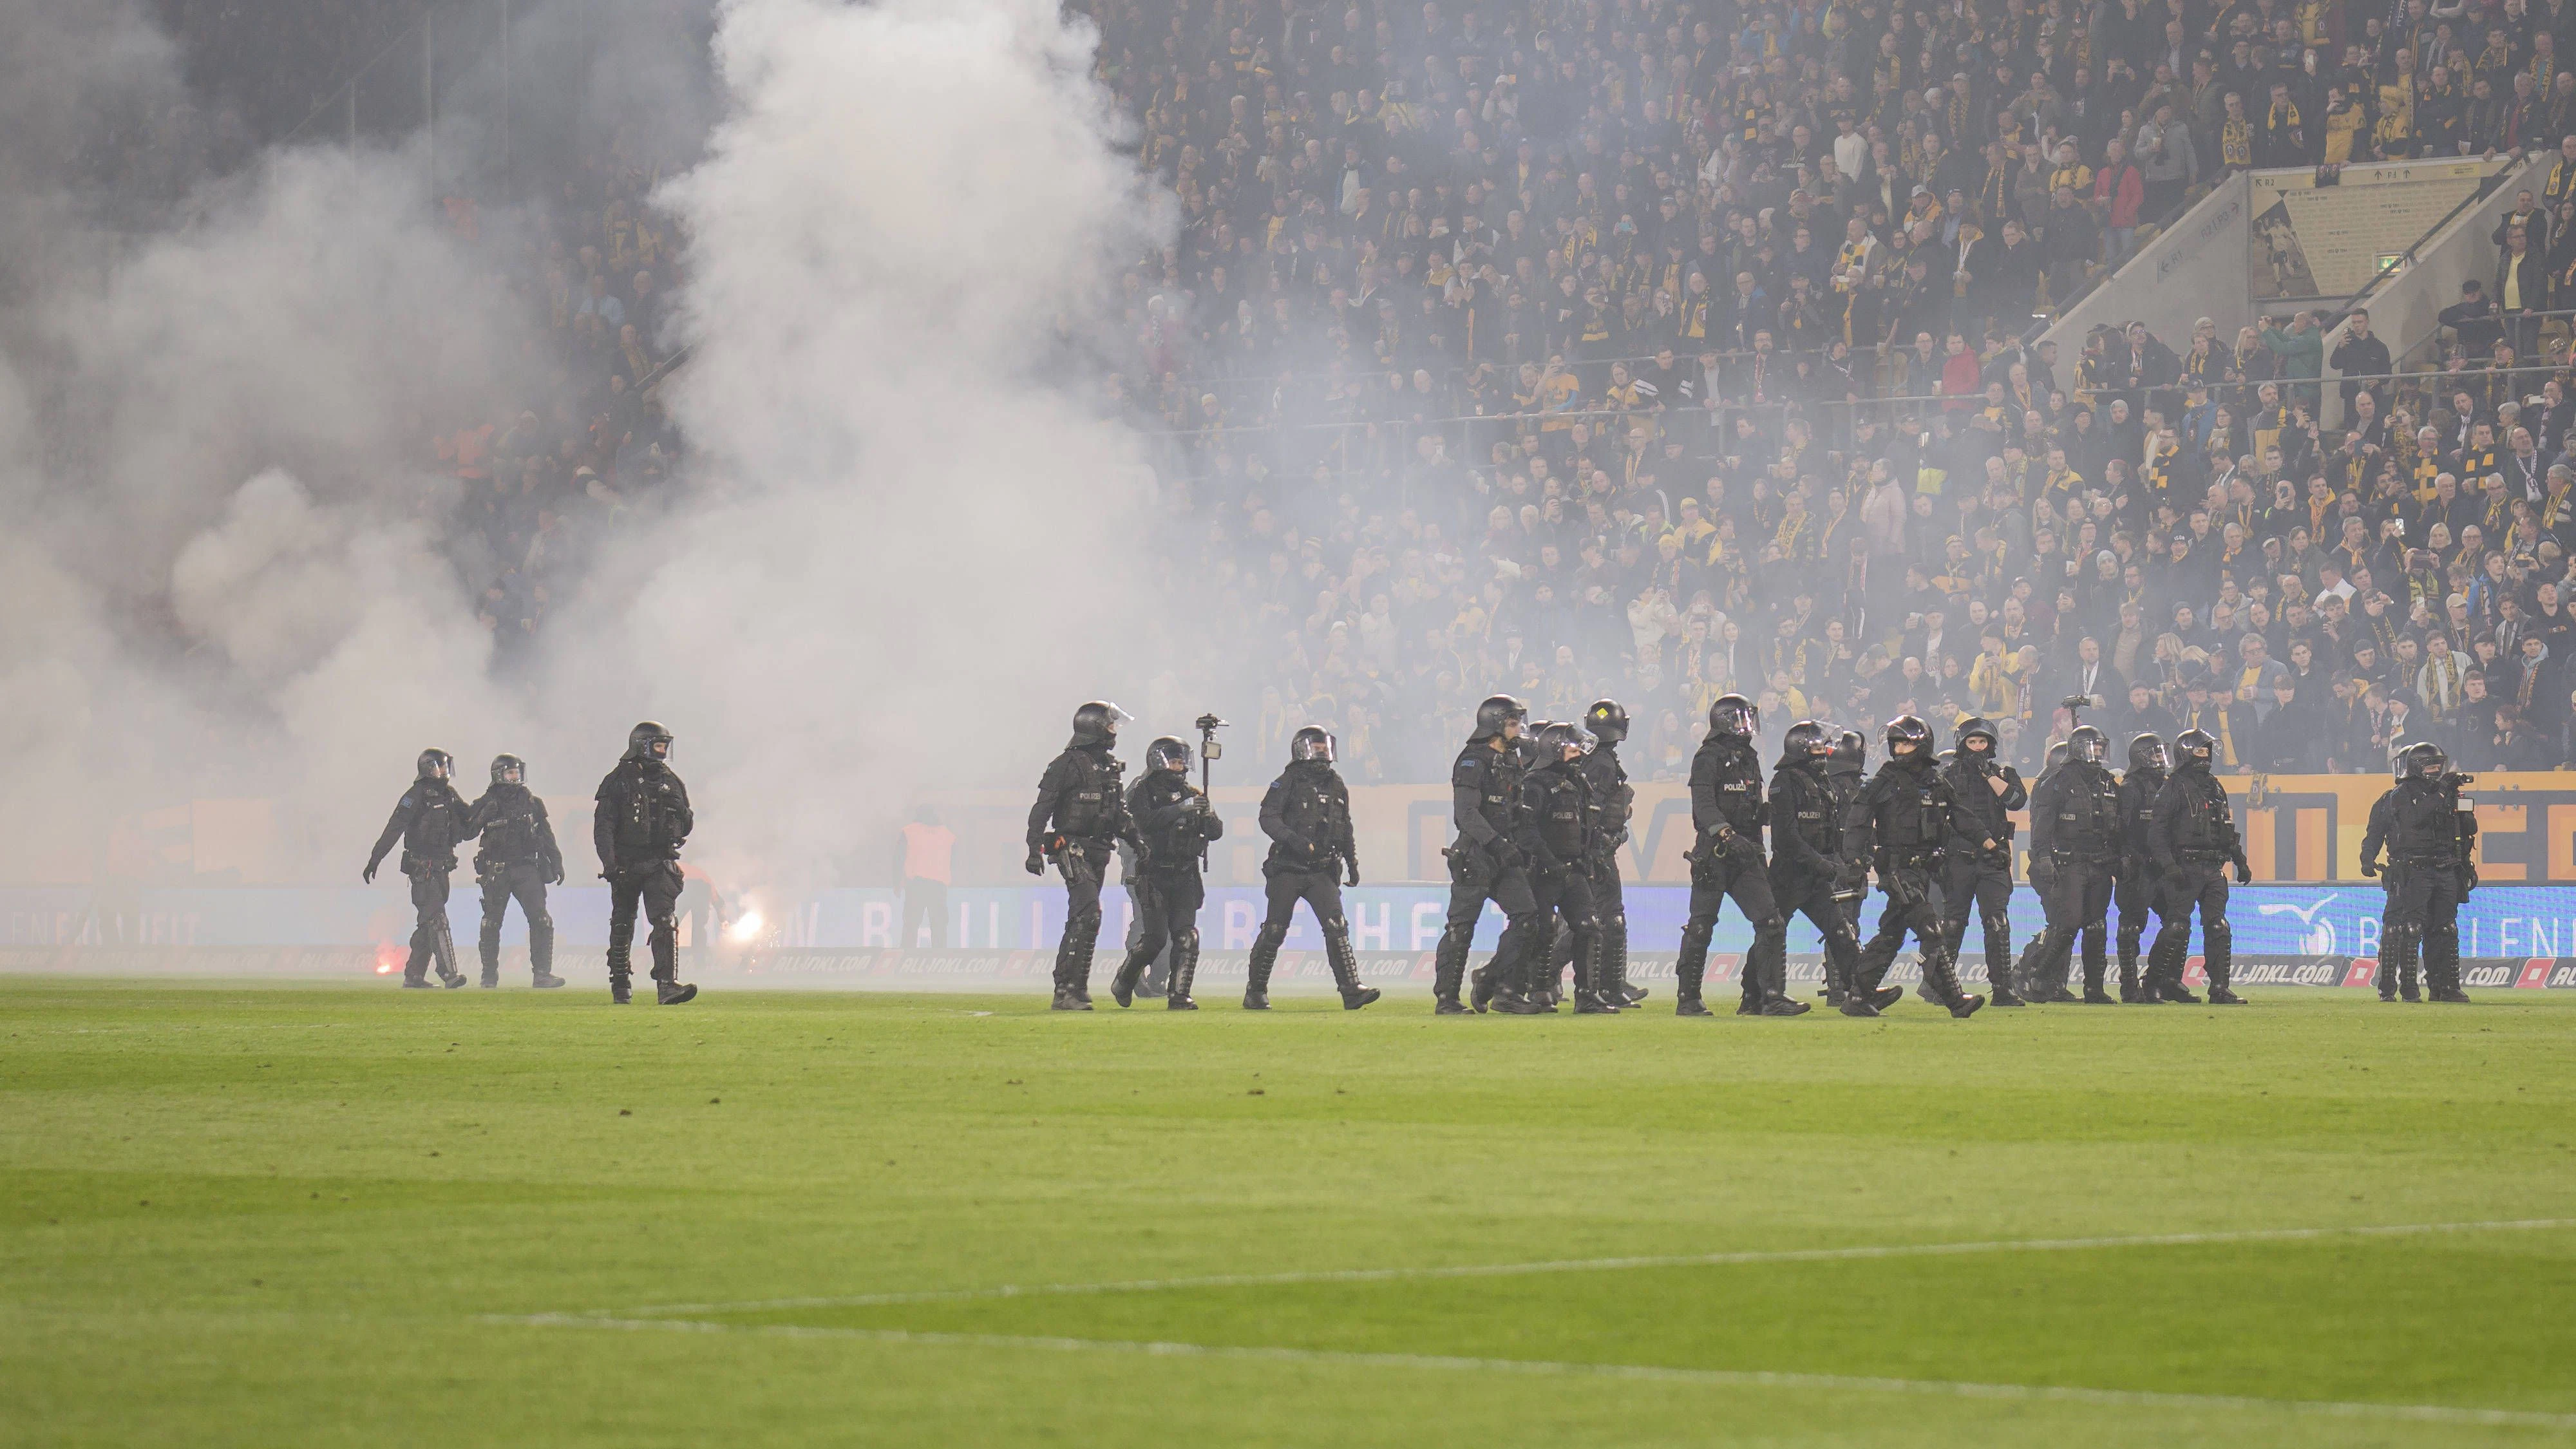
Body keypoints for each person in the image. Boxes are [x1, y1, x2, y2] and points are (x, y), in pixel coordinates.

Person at [1842, 715, 1989, 1018]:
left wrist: (1990, 844)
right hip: (1896, 869)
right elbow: (1858, 821)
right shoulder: (1884, 779)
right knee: (1932, 929)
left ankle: (1858, 996)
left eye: (1907, 743)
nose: (1900, 749)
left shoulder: (1936, 781)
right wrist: (1855, 861)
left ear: (1922, 745)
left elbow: (1961, 817)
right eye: (1896, 743)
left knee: (1892, 934)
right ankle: (1955, 1000)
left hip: (1924, 870)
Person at [1675, 694, 1801, 1018]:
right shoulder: (1707, 757)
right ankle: (1688, 999)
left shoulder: (1749, 758)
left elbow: (1750, 806)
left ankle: (1768, 998)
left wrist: (1767, 814)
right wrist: (1727, 834)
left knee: (1771, 922)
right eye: (1741, 720)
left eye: (1749, 719)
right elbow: (1703, 807)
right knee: (1701, 927)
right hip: (1715, 854)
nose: (1747, 727)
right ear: (1723, 722)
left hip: (1747, 855)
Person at [1245, 726, 1377, 1010]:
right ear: (1301, 750)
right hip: (1288, 867)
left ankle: (1351, 989)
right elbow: (1268, 817)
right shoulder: (1287, 781)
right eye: (1316, 747)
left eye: (1325, 747)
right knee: (1276, 929)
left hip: (1323, 869)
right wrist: (1294, 840)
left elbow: (1345, 824)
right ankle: (1255, 991)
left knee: (1336, 925)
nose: (1322, 753)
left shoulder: (1336, 783)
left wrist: (1352, 861)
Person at [1025, 701, 1135, 1011]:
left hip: (1100, 849)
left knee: (1083, 917)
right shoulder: (1065, 764)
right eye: (1111, 726)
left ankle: (1074, 986)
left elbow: (1119, 814)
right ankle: (1067, 989)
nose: (1115, 732)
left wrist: (1139, 843)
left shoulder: (1111, 767)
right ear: (1096, 728)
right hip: (1070, 846)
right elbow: (1042, 808)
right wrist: (1034, 849)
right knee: (1088, 913)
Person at [1441, 695, 1546, 1015]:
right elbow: (1466, 814)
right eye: (1513, 724)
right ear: (1495, 725)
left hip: (1505, 854)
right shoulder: (1473, 760)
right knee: (1461, 928)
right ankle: (1447, 999)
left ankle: (1498, 985)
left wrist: (1519, 846)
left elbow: (1515, 811)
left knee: (1527, 919)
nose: (1520, 731)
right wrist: (1497, 843)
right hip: (1476, 855)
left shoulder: (1512, 761)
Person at [1765, 721, 1877, 1017]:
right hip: (1790, 874)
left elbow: (1833, 829)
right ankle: (1762, 995)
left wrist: (1839, 861)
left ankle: (1861, 994)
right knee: (1773, 930)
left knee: (1840, 929)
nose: (1824, 752)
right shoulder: (1785, 782)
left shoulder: (1822, 780)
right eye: (1817, 747)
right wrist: (1825, 864)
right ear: (1801, 749)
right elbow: (1786, 838)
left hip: (1817, 874)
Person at [2358, 742, 2480, 1004]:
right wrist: (2368, 858)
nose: (2437, 771)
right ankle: (2405, 989)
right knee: (2409, 928)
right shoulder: (2399, 795)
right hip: (2413, 869)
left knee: (2446, 929)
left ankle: (2445, 987)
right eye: (2431, 766)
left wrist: (2466, 864)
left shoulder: (2447, 794)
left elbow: (2465, 831)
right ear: (2416, 767)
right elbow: (2414, 818)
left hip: (2446, 867)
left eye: (2439, 765)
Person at [1110, 736, 1223, 1009]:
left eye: (1182, 760)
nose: (1180, 765)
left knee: (1186, 936)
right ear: (1159, 761)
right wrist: (1178, 810)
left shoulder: (1193, 793)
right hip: (1153, 873)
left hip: (1186, 874)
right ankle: (1124, 980)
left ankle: (1179, 994)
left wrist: (1209, 815)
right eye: (1174, 760)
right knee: (1155, 939)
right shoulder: (1142, 791)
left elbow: (1216, 833)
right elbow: (1143, 823)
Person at [594, 721, 697, 1005]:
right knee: (623, 922)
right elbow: (603, 827)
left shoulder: (672, 781)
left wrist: (682, 813)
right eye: (658, 746)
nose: (663, 752)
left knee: (665, 920)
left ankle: (667, 986)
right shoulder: (617, 781)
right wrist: (610, 863)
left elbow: (687, 825)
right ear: (642, 746)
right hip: (626, 862)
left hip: (660, 861)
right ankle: (620, 983)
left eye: (666, 746)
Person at [2148, 727, 2251, 1006]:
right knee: (2177, 927)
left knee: (2218, 926)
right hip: (2184, 866)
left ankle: (2219, 988)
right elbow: (2157, 833)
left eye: (2207, 751)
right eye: (2200, 751)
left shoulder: (2215, 786)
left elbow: (2226, 829)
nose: (2205, 756)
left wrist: (2240, 860)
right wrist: (2169, 866)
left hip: (2213, 867)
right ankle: (2155, 985)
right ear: (2186, 753)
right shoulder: (2172, 787)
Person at [1519, 721, 1616, 1013]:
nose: (1579, 754)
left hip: (1574, 869)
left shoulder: (1579, 782)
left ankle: (1587, 996)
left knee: (1589, 927)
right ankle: (1537, 990)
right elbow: (1527, 831)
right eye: (1573, 748)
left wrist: (1593, 858)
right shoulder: (1535, 783)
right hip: (1544, 871)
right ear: (1556, 750)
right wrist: (1548, 861)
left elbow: (1586, 826)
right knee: (1543, 930)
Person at [2026, 726, 2123, 1003]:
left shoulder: (2106, 781)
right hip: (2069, 862)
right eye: (2094, 747)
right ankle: (2040, 977)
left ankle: (2094, 989)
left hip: (2101, 863)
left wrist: (2121, 857)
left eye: (2101, 747)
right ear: (2079, 749)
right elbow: (2041, 827)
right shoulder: (2056, 781)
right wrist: (2043, 857)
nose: (2099, 752)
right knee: (2068, 923)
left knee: (2097, 926)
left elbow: (2116, 826)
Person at [363, 748, 473, 990]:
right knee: (437, 920)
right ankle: (450, 974)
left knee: (427, 924)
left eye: (446, 767)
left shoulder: (449, 795)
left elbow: (469, 820)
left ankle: (414, 976)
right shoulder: (416, 795)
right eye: (440, 767)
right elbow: (395, 827)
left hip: (443, 869)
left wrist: (490, 806)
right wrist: (375, 858)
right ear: (428, 768)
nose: (444, 772)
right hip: (423, 870)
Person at [1938, 716, 2031, 1005]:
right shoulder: (1948, 776)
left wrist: (1988, 776)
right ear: (1962, 744)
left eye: (1982, 742)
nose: (1978, 748)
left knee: (1997, 921)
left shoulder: (2003, 773)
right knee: (1953, 923)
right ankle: (1942, 987)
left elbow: (2016, 801)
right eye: (1972, 742)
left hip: (1993, 859)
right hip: (1959, 859)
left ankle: (2002, 989)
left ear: (1991, 745)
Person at [464, 753, 566, 989]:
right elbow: (467, 832)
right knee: (491, 923)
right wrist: (482, 815)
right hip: (497, 870)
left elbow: (546, 835)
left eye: (517, 772)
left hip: (527, 868)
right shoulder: (486, 801)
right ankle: (489, 976)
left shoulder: (533, 802)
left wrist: (557, 861)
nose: (515, 777)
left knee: (541, 919)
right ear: (499, 774)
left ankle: (542, 974)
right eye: (510, 772)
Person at [1571, 699, 1648, 1005]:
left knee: (1599, 917)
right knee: (1607, 917)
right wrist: (1605, 840)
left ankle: (1612, 985)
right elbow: (1595, 809)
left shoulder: (1593, 760)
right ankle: (1608, 987)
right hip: (1597, 850)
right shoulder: (1603, 763)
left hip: (1594, 847)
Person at [2114, 734, 2175, 1003]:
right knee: (2130, 926)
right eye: (2154, 754)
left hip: (2163, 867)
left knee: (2176, 924)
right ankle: (2129, 986)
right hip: (2137, 867)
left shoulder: (2169, 785)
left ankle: (2155, 982)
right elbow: (2120, 830)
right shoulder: (2130, 788)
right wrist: (2128, 858)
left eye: (2162, 753)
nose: (2161, 760)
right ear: (2141, 758)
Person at [898, 805, 955, 950]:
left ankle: (906, 957)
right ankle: (940, 958)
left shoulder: (909, 831)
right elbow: (957, 859)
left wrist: (897, 882)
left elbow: (898, 858)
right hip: (938, 885)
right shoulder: (947, 833)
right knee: (939, 926)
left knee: (911, 925)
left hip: (916, 884)